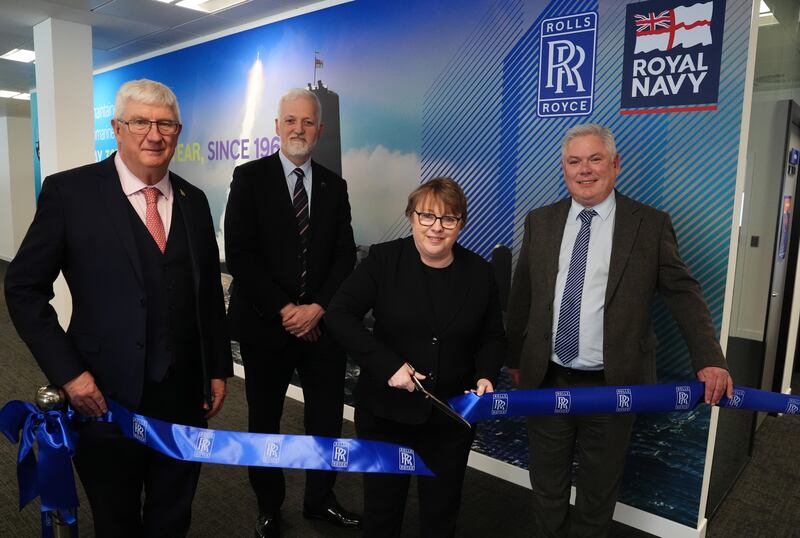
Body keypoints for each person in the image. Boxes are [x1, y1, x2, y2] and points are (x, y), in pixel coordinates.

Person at [4, 79, 232, 537]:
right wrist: (69, 374)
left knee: (174, 512)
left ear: (178, 131)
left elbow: (208, 294)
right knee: (116, 517)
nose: (154, 134)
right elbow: (24, 287)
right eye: (140, 122)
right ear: (117, 128)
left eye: (165, 123)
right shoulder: (70, 193)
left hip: (183, 397)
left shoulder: (195, 200)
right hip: (102, 397)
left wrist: (217, 369)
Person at [505, 123, 733, 537]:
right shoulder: (540, 221)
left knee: (597, 493)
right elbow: (522, 296)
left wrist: (709, 359)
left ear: (616, 165)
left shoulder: (649, 224)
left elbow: (683, 292)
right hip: (546, 380)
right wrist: (513, 361)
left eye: (595, 159)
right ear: (564, 167)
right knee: (546, 488)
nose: (585, 170)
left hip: (614, 386)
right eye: (575, 161)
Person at [325, 177, 506, 537]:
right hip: (386, 413)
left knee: (441, 515)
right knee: (382, 513)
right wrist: (387, 365)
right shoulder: (383, 259)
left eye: (448, 219)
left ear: (461, 224)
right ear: (411, 217)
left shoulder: (480, 272)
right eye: (427, 216)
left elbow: (491, 335)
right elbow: (338, 315)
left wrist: (486, 374)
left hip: (450, 418)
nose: (437, 227)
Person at [224, 88, 359, 537]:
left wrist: (317, 309)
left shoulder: (334, 186)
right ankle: (269, 504)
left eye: (308, 122)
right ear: (277, 126)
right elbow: (240, 256)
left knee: (326, 419)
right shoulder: (248, 178)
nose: (299, 129)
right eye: (290, 121)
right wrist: (286, 310)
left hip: (321, 328)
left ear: (319, 130)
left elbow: (344, 257)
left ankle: (320, 500)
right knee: (265, 420)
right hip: (268, 325)